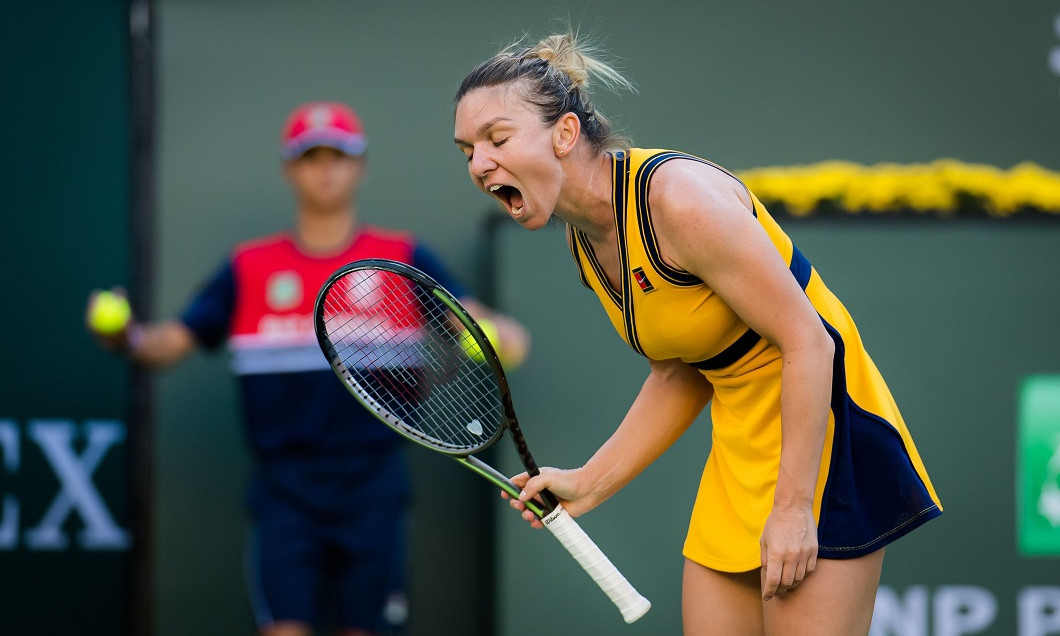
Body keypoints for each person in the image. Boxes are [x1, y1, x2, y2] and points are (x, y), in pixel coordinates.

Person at [452, 32, 941, 636]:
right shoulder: (587, 237)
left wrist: (793, 510)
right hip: (739, 456)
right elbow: (681, 368)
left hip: (824, 449)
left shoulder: (679, 201)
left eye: (497, 139)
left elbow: (810, 343)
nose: (479, 164)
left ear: (565, 134)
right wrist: (588, 482)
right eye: (467, 150)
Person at [87, 101, 530, 636]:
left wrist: (504, 337)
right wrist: (127, 337)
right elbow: (169, 343)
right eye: (311, 156)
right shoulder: (248, 267)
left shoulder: (402, 256)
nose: (325, 169)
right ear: (289, 169)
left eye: (338, 155)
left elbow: (489, 328)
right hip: (284, 492)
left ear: (359, 167)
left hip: (373, 489)